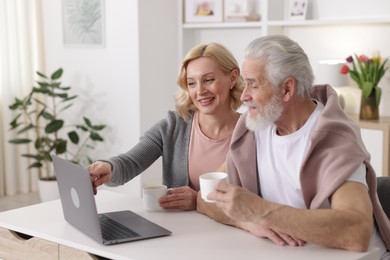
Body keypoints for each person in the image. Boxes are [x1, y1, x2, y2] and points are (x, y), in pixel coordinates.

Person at [197, 35, 390, 258]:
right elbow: (206, 197)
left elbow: (356, 232)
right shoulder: (253, 128)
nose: (244, 95)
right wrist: (249, 222)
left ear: (287, 89)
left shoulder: (334, 139)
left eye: (253, 84)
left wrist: (259, 211)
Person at [89, 43, 244, 211]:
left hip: (232, 232)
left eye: (208, 80)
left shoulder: (252, 133)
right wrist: (108, 168)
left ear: (233, 78)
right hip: (178, 231)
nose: (200, 91)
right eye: (191, 83)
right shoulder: (174, 126)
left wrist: (197, 201)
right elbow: (130, 162)